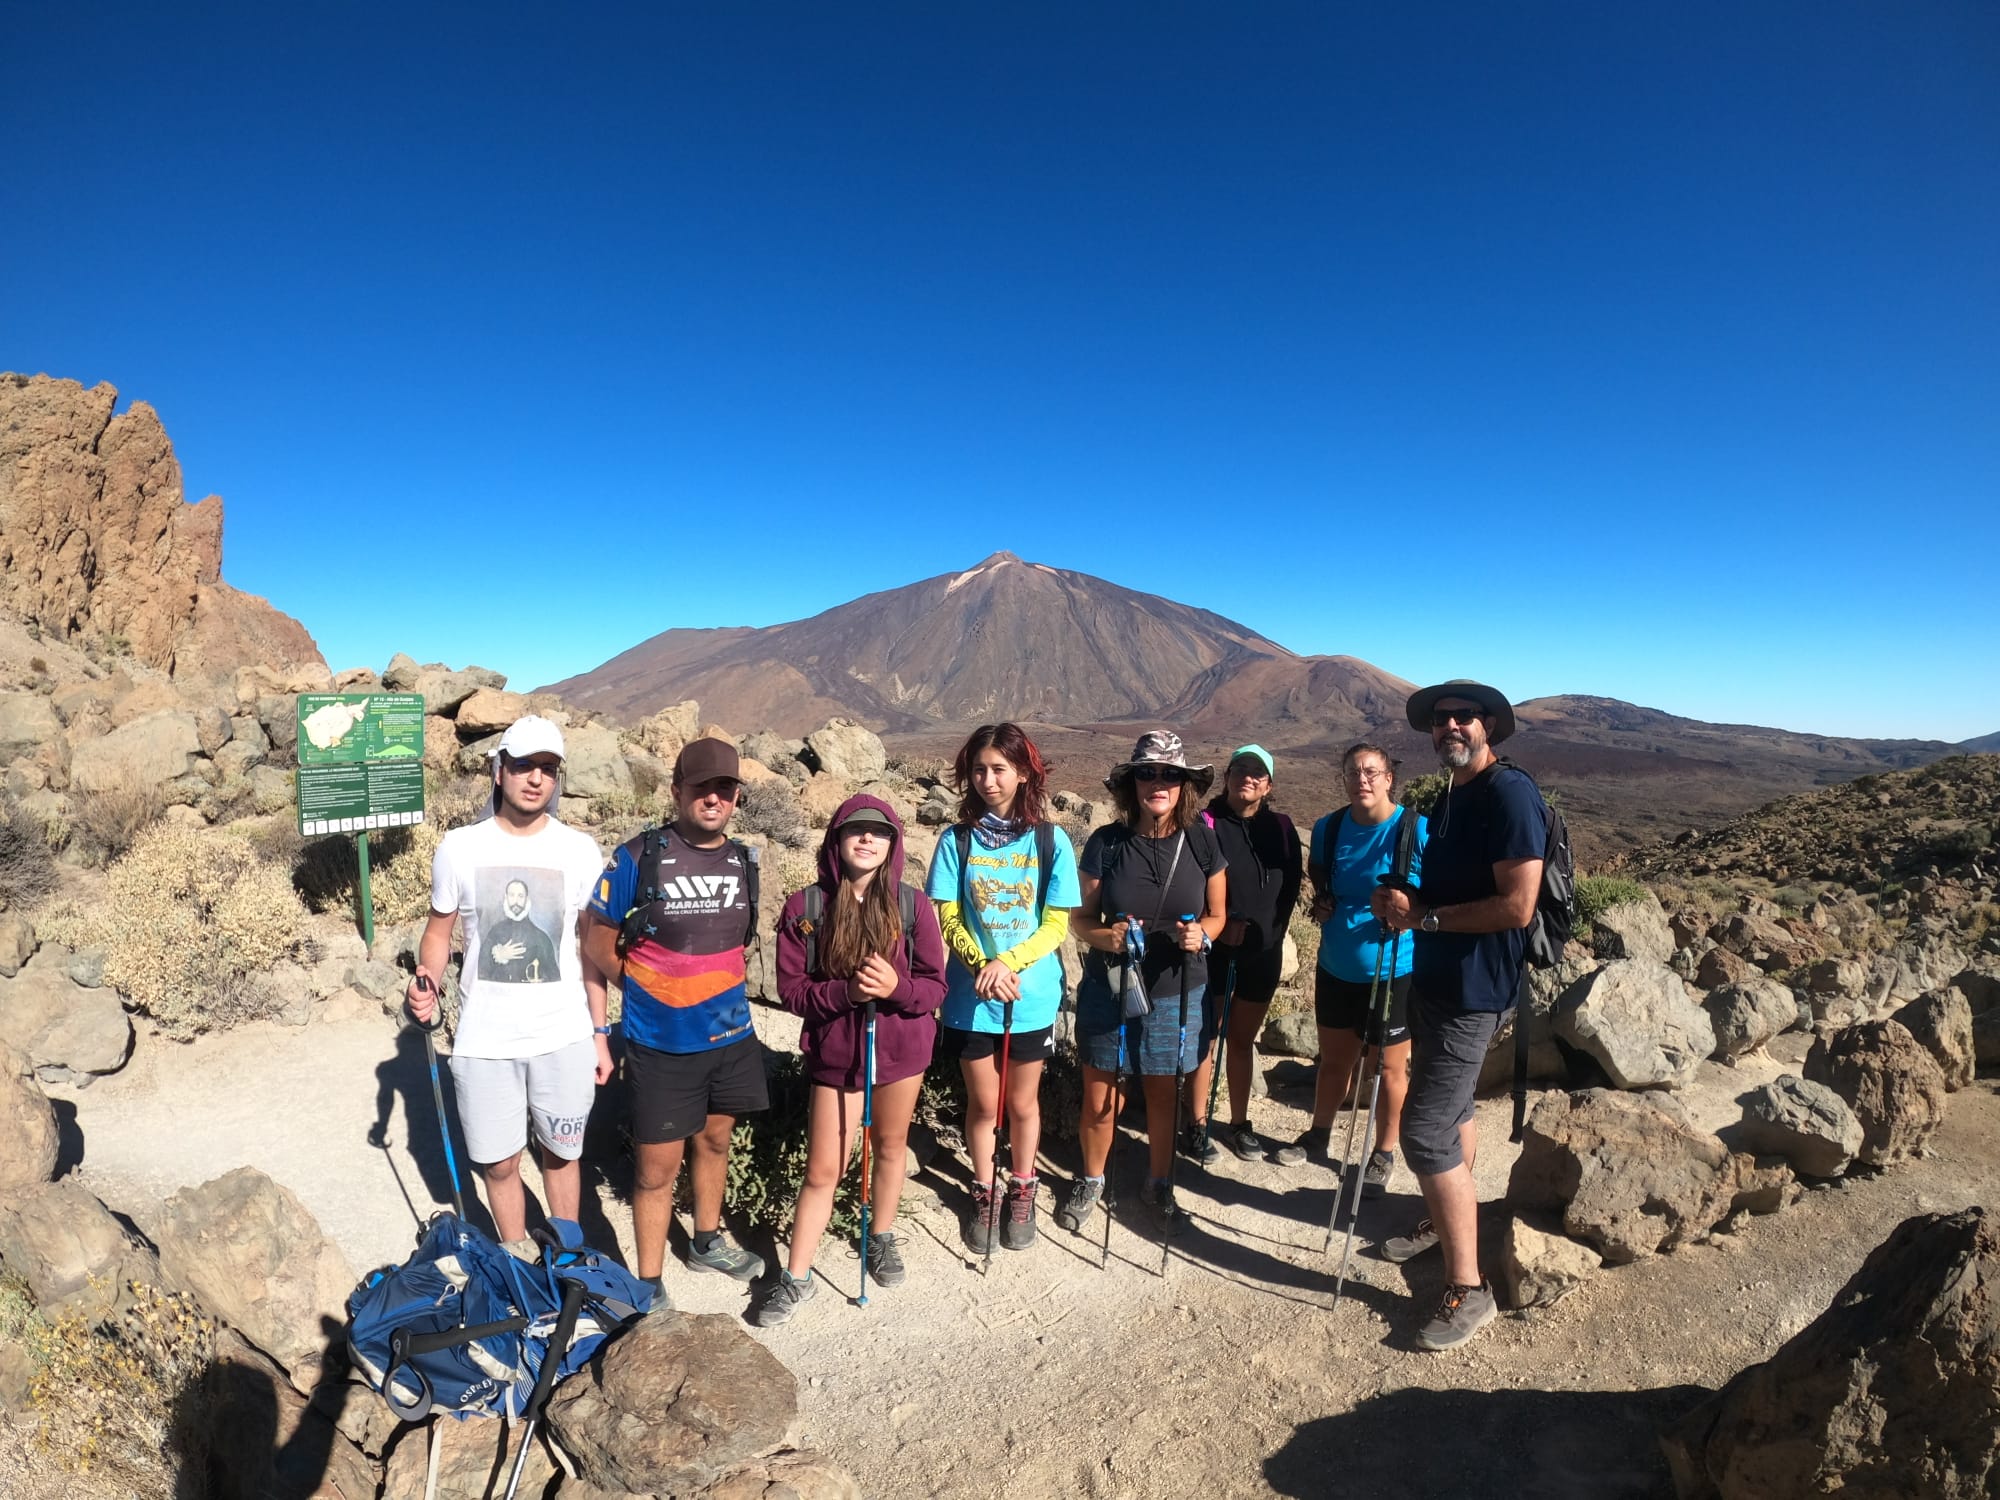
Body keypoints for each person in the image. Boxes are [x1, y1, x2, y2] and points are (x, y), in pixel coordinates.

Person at [1371, 681, 1546, 1352]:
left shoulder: (1509, 794)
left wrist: (1425, 919)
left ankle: (1469, 1288)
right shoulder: (1450, 796)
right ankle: (1447, 1222)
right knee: (1455, 1109)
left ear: (1488, 726)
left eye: (1463, 717)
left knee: (1423, 1132)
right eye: (1440, 719)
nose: (1450, 726)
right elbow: (1444, 891)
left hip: (1476, 991)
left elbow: (1518, 905)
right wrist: (1406, 900)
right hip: (1441, 980)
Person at [406, 716, 612, 1256]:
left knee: (562, 1155)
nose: (536, 779)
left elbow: (590, 950)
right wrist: (427, 979)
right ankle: (517, 1260)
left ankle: (567, 1264)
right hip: (484, 1039)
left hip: (563, 1035)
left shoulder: (580, 850)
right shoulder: (459, 847)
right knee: (499, 1164)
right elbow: (439, 932)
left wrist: (599, 1032)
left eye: (548, 768)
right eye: (523, 765)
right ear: (499, 771)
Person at [582, 738, 769, 1306]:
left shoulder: (744, 861)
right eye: (700, 788)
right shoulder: (638, 856)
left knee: (715, 1141)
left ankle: (706, 1241)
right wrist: (648, 988)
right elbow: (596, 937)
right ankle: (648, 1282)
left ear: (736, 797)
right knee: (655, 1169)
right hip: (660, 1041)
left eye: (724, 789)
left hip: (729, 1035)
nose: (713, 799)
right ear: (676, 792)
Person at [751, 797, 947, 1325]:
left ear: (892, 844)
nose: (866, 839)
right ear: (835, 840)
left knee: (891, 1147)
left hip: (902, 1052)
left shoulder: (912, 906)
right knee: (824, 1169)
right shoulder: (806, 907)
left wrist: (896, 988)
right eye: (854, 830)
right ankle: (796, 1276)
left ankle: (879, 1235)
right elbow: (793, 992)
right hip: (837, 1058)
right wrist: (848, 994)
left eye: (878, 832)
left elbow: (934, 988)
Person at [1057, 731, 1228, 1232]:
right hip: (1111, 987)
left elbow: (1218, 914)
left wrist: (1202, 934)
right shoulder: (1107, 843)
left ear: (1184, 784)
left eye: (1170, 774)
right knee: (1100, 1096)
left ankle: (1160, 1180)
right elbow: (1079, 919)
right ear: (1131, 783)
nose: (1158, 782)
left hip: (1178, 989)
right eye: (1147, 773)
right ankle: (1092, 1179)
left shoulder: (1202, 841)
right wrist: (1107, 937)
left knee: (1161, 1091)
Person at [926, 723, 1080, 1253]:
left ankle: (1022, 1187)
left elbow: (1056, 923)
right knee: (983, 1103)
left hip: (1029, 997)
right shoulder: (956, 840)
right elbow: (947, 915)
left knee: (1022, 1102)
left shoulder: (1051, 840)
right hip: (971, 998)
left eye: (999, 769)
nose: (988, 780)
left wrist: (1006, 962)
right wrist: (981, 965)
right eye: (978, 770)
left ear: (1023, 773)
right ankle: (984, 1189)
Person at [1299, 742, 1426, 1190]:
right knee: (1335, 1061)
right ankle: (1318, 1134)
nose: (1362, 781)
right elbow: (1321, 876)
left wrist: (1408, 908)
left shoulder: (1415, 830)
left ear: (1389, 778)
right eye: (1353, 773)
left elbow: (1436, 897)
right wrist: (1323, 904)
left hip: (1394, 969)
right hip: (1336, 966)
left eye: (1371, 772)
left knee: (1389, 1067)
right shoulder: (1328, 828)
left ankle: (1383, 1152)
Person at [1189, 745, 1303, 1166]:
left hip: (1262, 953)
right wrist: (1220, 929)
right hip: (1215, 951)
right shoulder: (1205, 823)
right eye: (1240, 770)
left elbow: (1290, 888)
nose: (1248, 778)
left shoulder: (1282, 827)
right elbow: (1192, 885)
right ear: (1227, 777)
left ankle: (1238, 1124)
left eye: (1258, 773)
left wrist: (1270, 936)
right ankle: (1196, 1123)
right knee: (1205, 1038)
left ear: (1268, 785)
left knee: (1241, 1039)